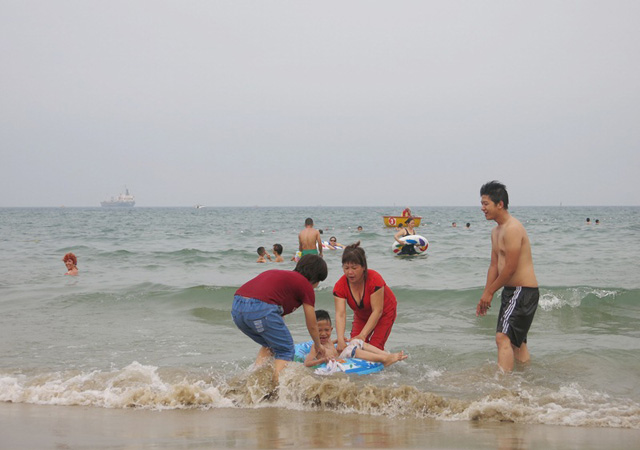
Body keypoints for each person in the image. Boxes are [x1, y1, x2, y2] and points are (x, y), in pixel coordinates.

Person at [231, 255, 328, 382]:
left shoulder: (283, 277)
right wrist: (318, 345)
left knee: (270, 344)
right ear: (316, 279)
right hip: (261, 308)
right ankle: (277, 390)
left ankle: (253, 381)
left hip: (237, 308)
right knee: (286, 349)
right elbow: (312, 323)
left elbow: (273, 305)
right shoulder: (305, 285)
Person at [477, 181, 539, 372]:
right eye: (482, 203)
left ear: (500, 204)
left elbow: (510, 268)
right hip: (512, 291)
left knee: (502, 338)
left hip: (522, 290)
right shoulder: (496, 231)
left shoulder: (513, 228)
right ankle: (524, 382)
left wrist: (490, 292)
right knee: (517, 344)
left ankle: (504, 387)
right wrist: (486, 293)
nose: (482, 208)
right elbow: (494, 265)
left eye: (486, 203)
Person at [333, 242, 398, 351]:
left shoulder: (374, 279)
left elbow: (377, 311)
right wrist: (340, 339)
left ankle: (387, 360)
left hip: (384, 312)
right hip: (361, 315)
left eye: (354, 268)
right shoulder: (340, 286)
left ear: (363, 267)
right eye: (346, 268)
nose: (350, 272)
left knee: (374, 346)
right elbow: (340, 314)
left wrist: (363, 335)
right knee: (354, 346)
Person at [304, 310, 407, 368]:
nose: (323, 334)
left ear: (331, 329)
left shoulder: (328, 340)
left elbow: (331, 344)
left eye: (326, 330)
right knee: (349, 350)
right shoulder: (317, 346)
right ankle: (384, 359)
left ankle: (386, 355)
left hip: (342, 358)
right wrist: (322, 360)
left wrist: (339, 340)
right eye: (319, 331)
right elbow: (307, 363)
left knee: (356, 341)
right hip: (338, 362)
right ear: (313, 331)